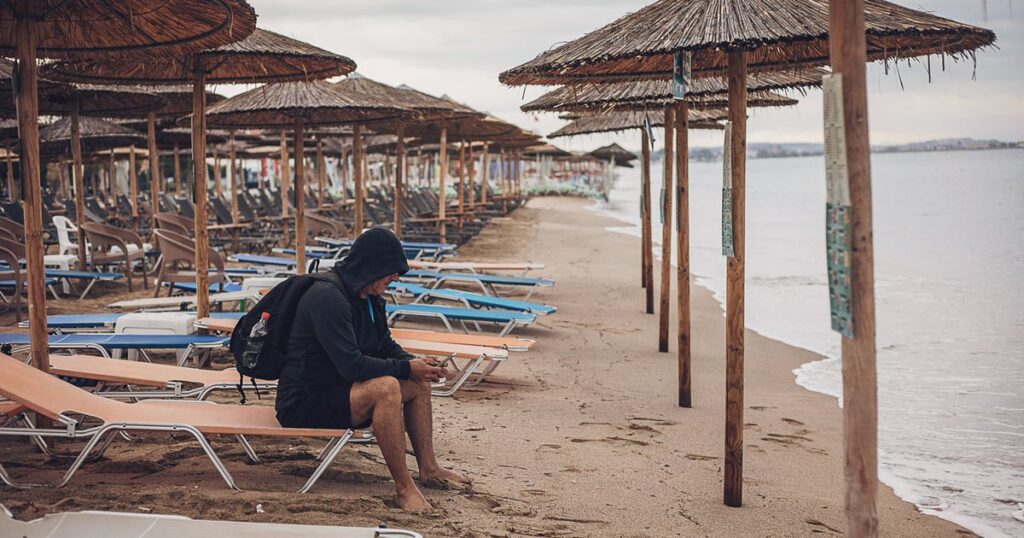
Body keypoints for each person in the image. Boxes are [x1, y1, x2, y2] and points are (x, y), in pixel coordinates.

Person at [275, 227, 469, 511]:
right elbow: (351, 366)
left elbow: (384, 344)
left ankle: (429, 468)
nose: (396, 278)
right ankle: (404, 489)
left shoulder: (368, 297)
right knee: (386, 387)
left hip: (340, 390)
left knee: (417, 381)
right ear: (372, 266)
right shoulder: (326, 298)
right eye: (392, 271)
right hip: (304, 400)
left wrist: (416, 364)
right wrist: (406, 367)